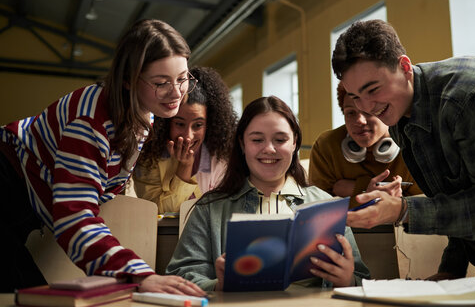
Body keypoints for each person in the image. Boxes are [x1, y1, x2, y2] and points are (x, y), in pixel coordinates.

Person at [0, 19, 206, 296]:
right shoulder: (90, 123)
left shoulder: (143, 112)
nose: (177, 92)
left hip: (23, 199)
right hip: (6, 181)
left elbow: (102, 193)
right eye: (161, 82)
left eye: (183, 78)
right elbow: (75, 216)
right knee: (27, 296)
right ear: (128, 80)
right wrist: (139, 275)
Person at [331, 19, 475, 277]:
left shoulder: (469, 94)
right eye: (355, 97)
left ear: (405, 67)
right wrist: (450, 272)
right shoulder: (397, 116)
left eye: (373, 89)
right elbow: (458, 198)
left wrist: (402, 210)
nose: (367, 107)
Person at [166, 96, 370, 291]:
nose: (269, 149)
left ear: (295, 142)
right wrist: (218, 286)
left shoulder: (327, 206)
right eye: (257, 140)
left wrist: (347, 280)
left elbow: (363, 280)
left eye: (280, 139)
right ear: (242, 144)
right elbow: (181, 275)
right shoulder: (209, 208)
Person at [133, 66, 237, 214]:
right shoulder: (148, 159)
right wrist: (184, 168)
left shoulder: (222, 159)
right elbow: (159, 213)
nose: (188, 135)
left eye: (198, 125)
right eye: (180, 124)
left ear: (210, 124)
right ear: (165, 121)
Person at [309, 81, 421, 208]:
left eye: (368, 111)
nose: (360, 121)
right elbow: (317, 209)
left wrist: (353, 190)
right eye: (351, 113)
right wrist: (368, 192)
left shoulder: (413, 144)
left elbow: (424, 207)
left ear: (387, 111)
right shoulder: (326, 145)